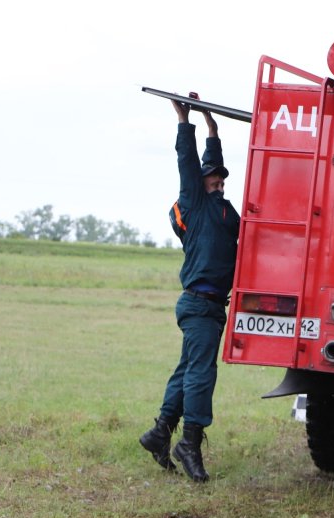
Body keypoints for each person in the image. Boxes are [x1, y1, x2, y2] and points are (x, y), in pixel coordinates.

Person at [139, 99, 240, 482]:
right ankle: (190, 443)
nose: (219, 181)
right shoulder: (196, 206)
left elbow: (212, 163)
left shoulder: (224, 210)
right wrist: (184, 121)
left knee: (188, 371)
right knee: (201, 374)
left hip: (211, 307)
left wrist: (212, 126)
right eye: (213, 178)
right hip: (199, 304)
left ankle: (160, 432)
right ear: (200, 185)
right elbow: (188, 163)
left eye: (221, 178)